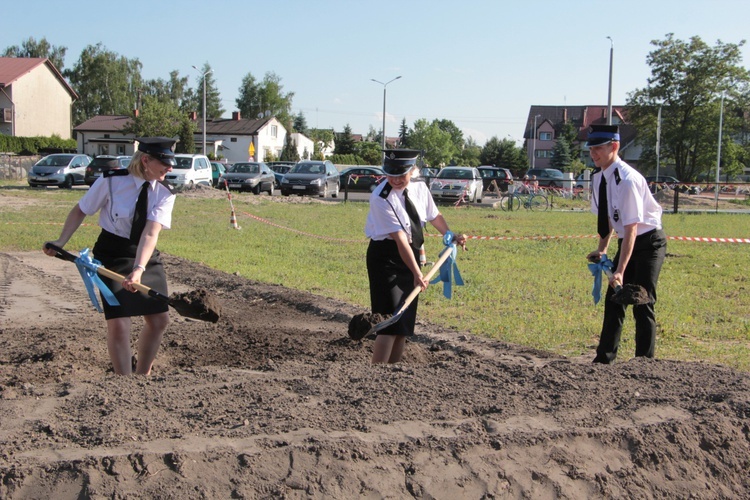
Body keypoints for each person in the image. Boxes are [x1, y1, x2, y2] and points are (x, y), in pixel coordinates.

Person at [43, 137, 178, 375]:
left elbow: (150, 233)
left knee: (159, 320)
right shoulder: (111, 182)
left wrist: (138, 269)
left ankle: (142, 376)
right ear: (145, 160)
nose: (170, 168)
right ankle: (123, 382)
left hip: (144, 255)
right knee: (119, 322)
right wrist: (61, 241)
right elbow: (81, 210)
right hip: (112, 253)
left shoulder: (166, 192)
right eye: (165, 162)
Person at [365, 149, 467, 364]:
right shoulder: (380, 198)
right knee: (389, 319)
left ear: (412, 171)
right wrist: (417, 272)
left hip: (412, 254)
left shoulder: (420, 187)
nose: (395, 180)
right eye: (390, 174)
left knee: (404, 322)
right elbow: (400, 239)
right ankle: (376, 373)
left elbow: (434, 216)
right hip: (386, 259)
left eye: (401, 174)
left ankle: (393, 370)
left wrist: (450, 235)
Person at [586, 125, 667, 364]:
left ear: (614, 147)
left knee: (641, 300)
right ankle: (604, 359)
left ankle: (644, 363)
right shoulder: (599, 178)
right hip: (627, 241)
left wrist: (620, 270)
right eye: (591, 148)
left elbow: (632, 228)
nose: (593, 153)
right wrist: (602, 249)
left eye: (598, 148)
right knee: (615, 300)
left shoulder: (628, 180)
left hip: (648, 243)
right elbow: (608, 219)